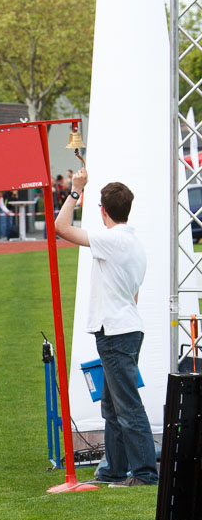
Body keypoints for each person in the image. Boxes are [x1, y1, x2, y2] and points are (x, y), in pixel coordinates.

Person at [55, 167, 158, 486]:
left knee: (126, 406)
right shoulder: (135, 244)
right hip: (125, 327)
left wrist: (75, 190)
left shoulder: (112, 240)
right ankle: (113, 468)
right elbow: (135, 294)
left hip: (115, 332)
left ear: (103, 210)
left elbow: (61, 228)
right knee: (112, 404)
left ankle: (144, 473)